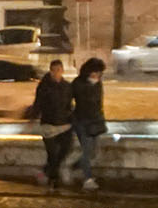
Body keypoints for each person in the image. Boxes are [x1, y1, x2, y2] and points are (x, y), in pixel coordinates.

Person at [25, 60, 73, 189]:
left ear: (62, 71)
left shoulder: (67, 86)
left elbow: (69, 105)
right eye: (54, 70)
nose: (57, 73)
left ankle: (45, 172)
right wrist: (32, 119)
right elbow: (38, 104)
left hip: (64, 124)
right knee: (52, 153)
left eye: (59, 70)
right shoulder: (44, 86)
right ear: (51, 71)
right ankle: (54, 180)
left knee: (65, 149)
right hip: (48, 124)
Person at [70, 58, 107, 192]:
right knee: (86, 151)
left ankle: (76, 166)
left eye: (99, 73)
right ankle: (87, 179)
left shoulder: (98, 84)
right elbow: (69, 99)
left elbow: (99, 104)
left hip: (95, 121)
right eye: (95, 72)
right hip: (82, 121)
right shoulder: (78, 83)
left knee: (93, 152)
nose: (97, 75)